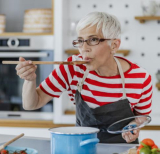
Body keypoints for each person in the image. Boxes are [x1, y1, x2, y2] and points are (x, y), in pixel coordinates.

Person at [15, 12, 152, 143]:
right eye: (80, 41)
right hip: (82, 147)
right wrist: (29, 79)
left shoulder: (140, 78)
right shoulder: (72, 68)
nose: (84, 48)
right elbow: (31, 104)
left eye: (93, 40)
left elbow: (141, 117)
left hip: (123, 149)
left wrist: (133, 127)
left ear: (114, 45)